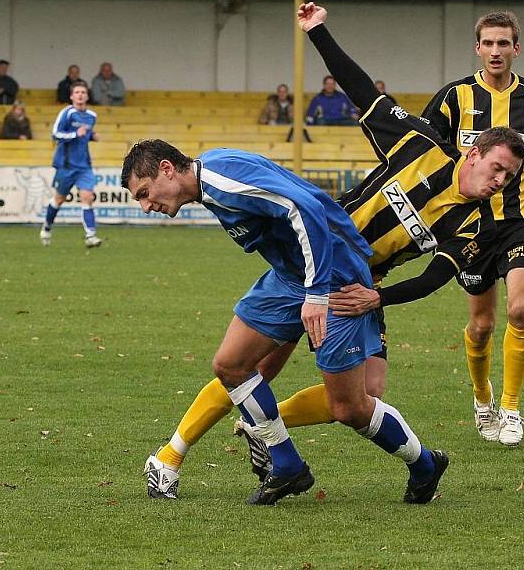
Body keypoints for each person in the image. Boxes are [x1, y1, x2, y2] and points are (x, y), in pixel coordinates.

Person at [142, 1, 524, 498]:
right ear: (472, 153)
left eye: (509, 177)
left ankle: (268, 428)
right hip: (315, 261)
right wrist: (319, 33)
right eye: (495, 169)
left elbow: (435, 278)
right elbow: (363, 91)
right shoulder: (420, 145)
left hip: (361, 287)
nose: (498, 182)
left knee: (364, 396)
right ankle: (175, 455)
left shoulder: (477, 223)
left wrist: (376, 300)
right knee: (252, 365)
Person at [126, 140, 450, 507]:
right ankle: (286, 464)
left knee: (350, 407)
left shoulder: (222, 180)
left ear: (167, 169)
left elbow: (305, 207)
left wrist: (316, 292)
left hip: (335, 278)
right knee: (231, 365)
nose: (146, 206)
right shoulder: (210, 180)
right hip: (288, 276)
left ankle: (425, 464)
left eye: (145, 193)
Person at [420, 10, 524, 447]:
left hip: (522, 220)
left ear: (516, 48)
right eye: (488, 43)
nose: (496, 51)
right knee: (481, 326)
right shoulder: (453, 98)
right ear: (477, 48)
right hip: (470, 226)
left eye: (504, 43)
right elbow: (428, 152)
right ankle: (482, 400)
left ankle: (512, 409)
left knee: (520, 311)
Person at [38, 81, 103, 248]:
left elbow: (84, 136)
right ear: (71, 96)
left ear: (87, 96)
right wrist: (75, 133)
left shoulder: (92, 116)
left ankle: (91, 235)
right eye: (77, 92)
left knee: (87, 197)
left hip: (84, 166)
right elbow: (55, 134)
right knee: (59, 199)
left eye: (83, 92)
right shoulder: (67, 113)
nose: (80, 95)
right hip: (66, 165)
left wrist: (91, 137)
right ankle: (46, 228)